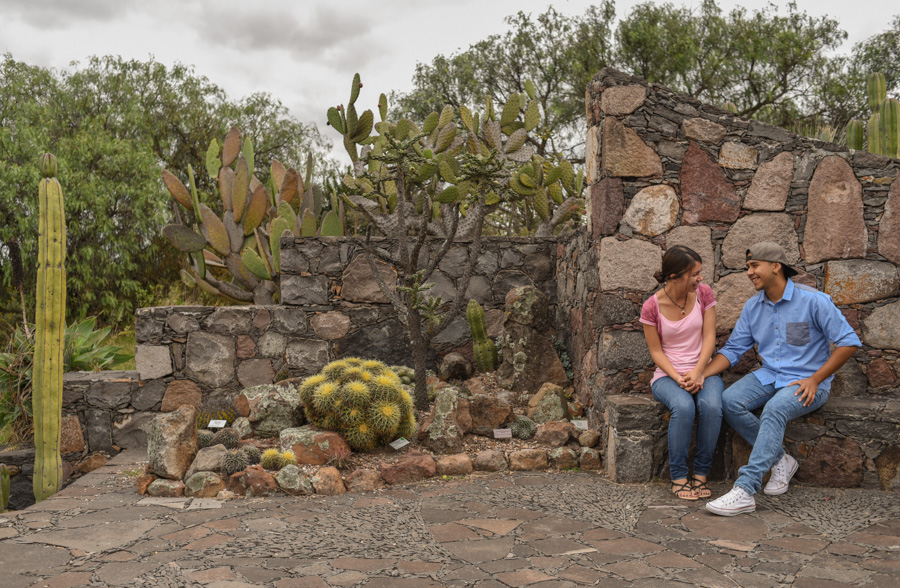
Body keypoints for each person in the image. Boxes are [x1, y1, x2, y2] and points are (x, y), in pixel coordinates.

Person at [703, 242, 861, 516]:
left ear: (776, 266)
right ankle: (781, 460)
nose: (749, 272)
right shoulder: (753, 307)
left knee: (775, 409)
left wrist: (816, 378)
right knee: (729, 400)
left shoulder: (814, 301)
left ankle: (745, 489)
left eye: (754, 266)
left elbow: (849, 342)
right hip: (770, 375)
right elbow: (732, 350)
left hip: (809, 382)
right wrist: (699, 374)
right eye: (748, 267)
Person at [641, 245, 724, 501]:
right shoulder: (651, 306)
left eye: (700, 272)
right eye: (695, 274)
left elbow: (709, 336)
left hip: (704, 370)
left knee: (711, 406)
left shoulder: (704, 293)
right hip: (668, 376)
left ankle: (700, 474)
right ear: (675, 276)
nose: (700, 278)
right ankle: (678, 476)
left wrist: (699, 372)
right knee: (684, 406)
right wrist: (678, 377)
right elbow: (656, 352)